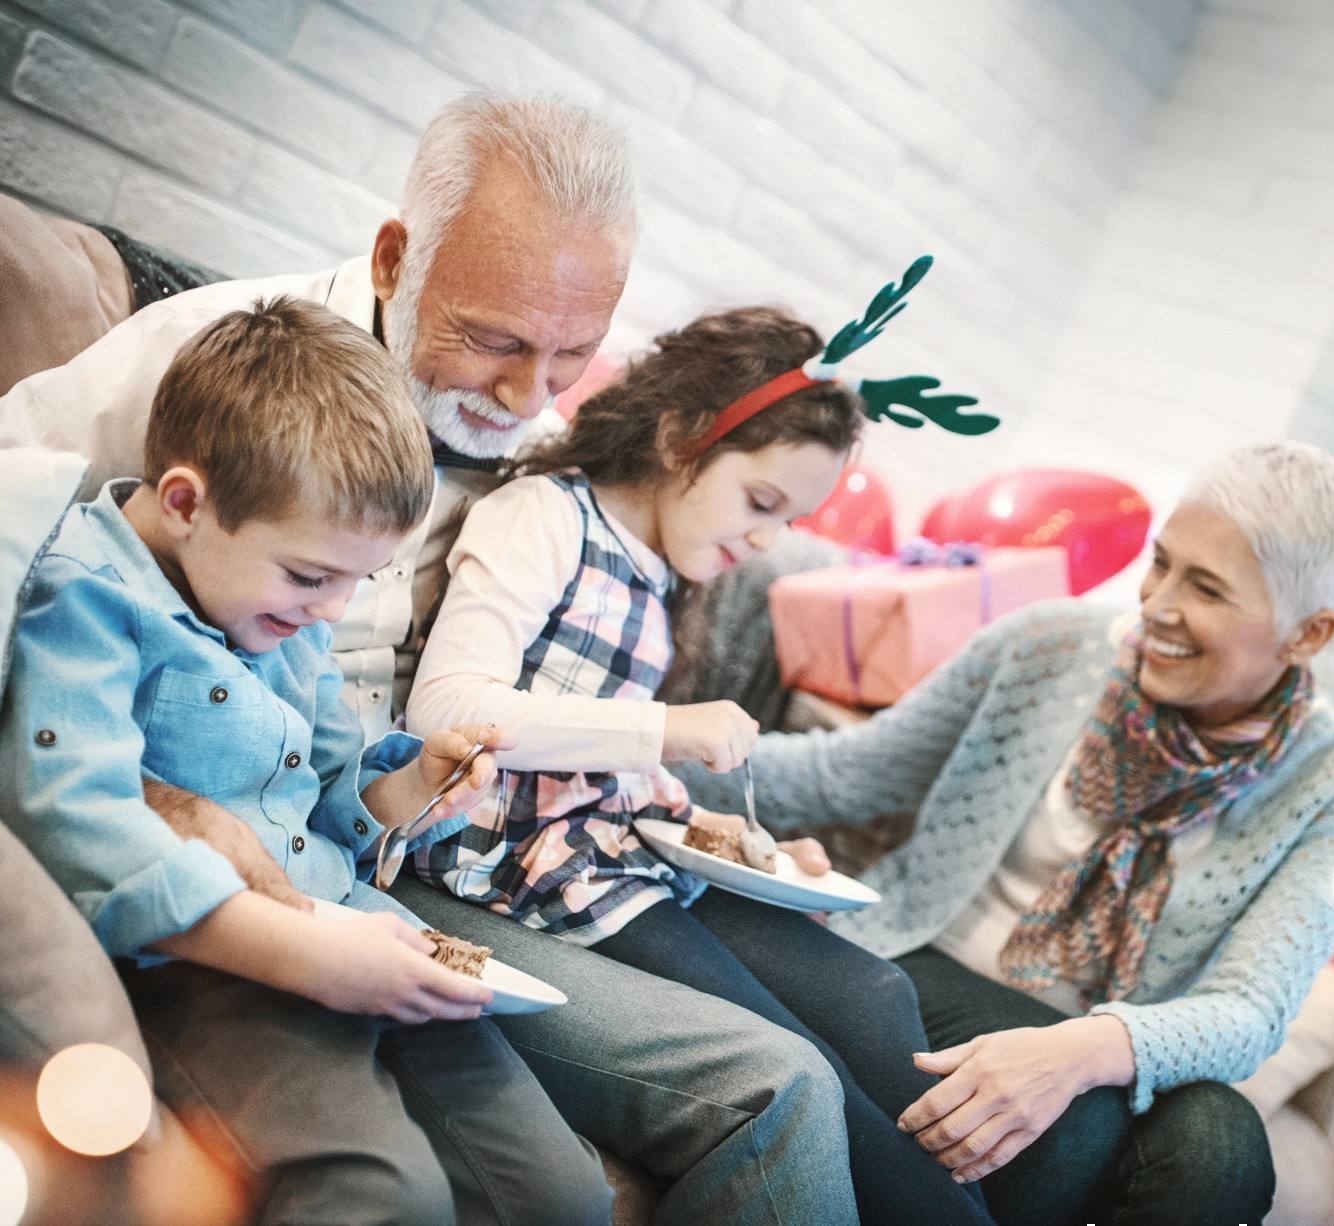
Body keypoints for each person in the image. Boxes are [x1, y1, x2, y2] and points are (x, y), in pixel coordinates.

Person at [0, 90, 857, 1224]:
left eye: (573, 355)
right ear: (394, 260)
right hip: (254, 913)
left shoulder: (528, 464)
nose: (527, 396)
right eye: (496, 340)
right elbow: (39, 612)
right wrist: (170, 804)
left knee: (659, 1134)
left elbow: (340, 766)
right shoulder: (189, 382)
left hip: (379, 877)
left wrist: (409, 785)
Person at [0, 298, 614, 1225]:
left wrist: (415, 785)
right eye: (310, 577)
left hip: (354, 927)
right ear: (184, 504)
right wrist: (309, 955)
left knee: (562, 1194)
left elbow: (333, 793)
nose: (333, 613)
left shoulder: (285, 618)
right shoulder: (84, 599)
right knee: (384, 1194)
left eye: (357, 581)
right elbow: (74, 816)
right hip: (213, 966)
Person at [679, 442, 1334, 1226]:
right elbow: (841, 775)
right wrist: (643, 745)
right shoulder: (1049, 645)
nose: (1157, 605)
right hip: (930, 961)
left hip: (1112, 1045)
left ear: (1307, 634)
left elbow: (1249, 1010)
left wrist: (1076, 1052)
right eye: (1161, 564)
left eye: (1206, 589)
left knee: (1221, 1152)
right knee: (1071, 1137)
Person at [401, 305, 994, 1226]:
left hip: (611, 853)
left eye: (788, 519)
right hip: (512, 862)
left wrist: (714, 828)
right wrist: (665, 729)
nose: (765, 542)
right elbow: (445, 709)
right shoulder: (542, 517)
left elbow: (603, 758)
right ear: (680, 439)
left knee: (873, 991)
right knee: (800, 1057)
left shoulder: (660, 568)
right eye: (761, 504)